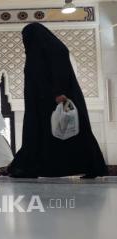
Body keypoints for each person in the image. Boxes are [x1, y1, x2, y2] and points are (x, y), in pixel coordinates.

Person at [8, 22, 108, 178]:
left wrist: (59, 92)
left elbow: (59, 71)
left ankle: (92, 167)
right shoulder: (37, 51)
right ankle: (32, 168)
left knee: (69, 134)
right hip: (41, 102)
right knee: (44, 134)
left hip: (56, 99)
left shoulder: (55, 49)